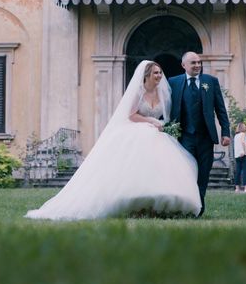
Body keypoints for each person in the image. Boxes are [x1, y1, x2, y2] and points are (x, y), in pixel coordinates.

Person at [25, 61, 201, 220]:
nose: (159, 76)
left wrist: (163, 125)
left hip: (157, 134)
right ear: (146, 75)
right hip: (138, 131)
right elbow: (131, 115)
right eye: (155, 73)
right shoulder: (138, 93)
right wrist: (151, 121)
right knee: (136, 171)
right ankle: (136, 206)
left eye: (160, 73)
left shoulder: (163, 92)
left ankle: (156, 206)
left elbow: (167, 115)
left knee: (159, 169)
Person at [168, 51, 231, 216]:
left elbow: (220, 109)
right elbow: (166, 108)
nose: (197, 65)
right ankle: (189, 206)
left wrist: (226, 132)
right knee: (187, 172)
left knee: (203, 173)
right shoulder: (173, 82)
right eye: (193, 63)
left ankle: (199, 206)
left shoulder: (211, 82)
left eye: (199, 62)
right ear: (184, 66)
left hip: (205, 137)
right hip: (184, 137)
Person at [233, 122, 246, 193]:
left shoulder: (236, 136)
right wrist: (243, 151)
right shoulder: (243, 134)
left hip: (237, 155)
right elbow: (243, 143)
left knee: (238, 171)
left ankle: (237, 188)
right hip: (244, 154)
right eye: (245, 126)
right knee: (245, 171)